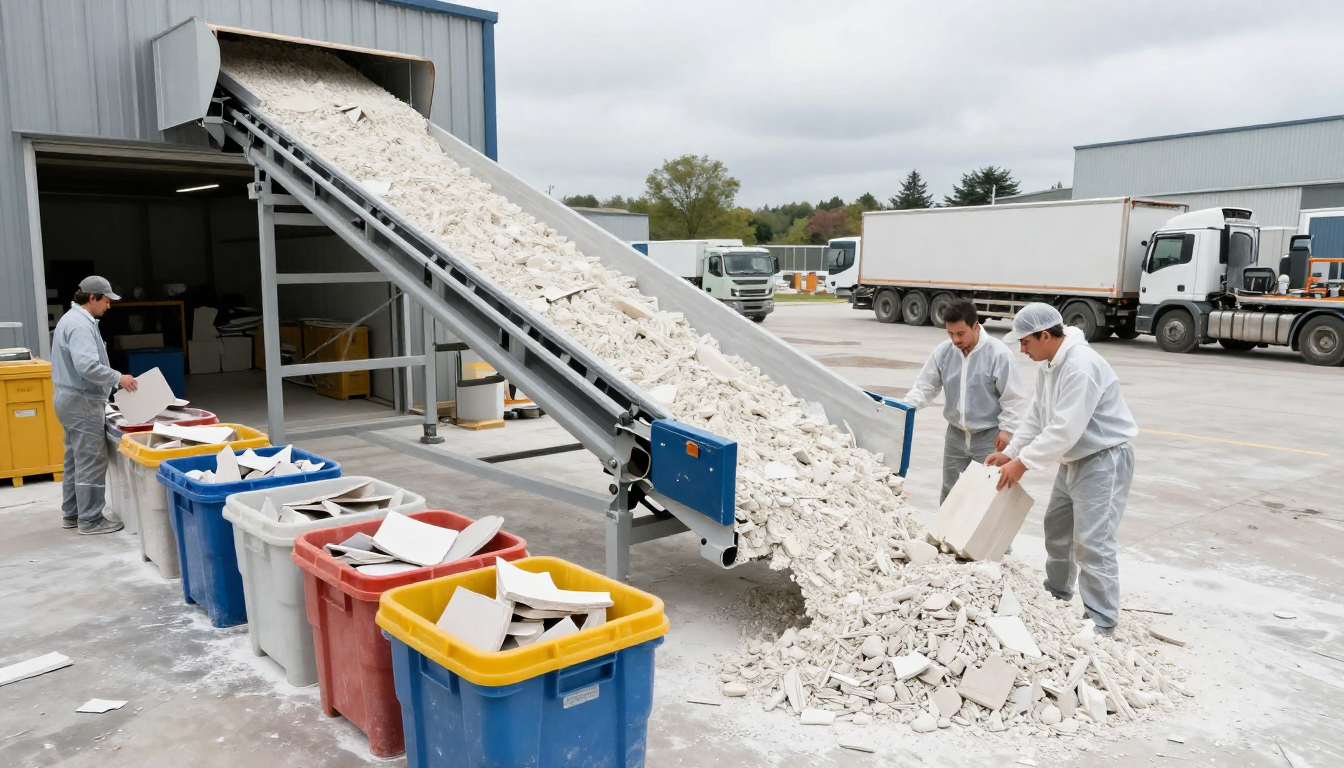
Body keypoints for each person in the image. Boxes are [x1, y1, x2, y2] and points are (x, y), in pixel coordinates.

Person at [985, 303, 1138, 636]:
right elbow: (1038, 415)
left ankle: (1101, 620)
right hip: (1074, 459)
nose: (1022, 350)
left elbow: (1064, 428)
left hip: (1103, 458)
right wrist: (1011, 451)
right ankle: (1057, 592)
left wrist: (1022, 464)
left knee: (1092, 542)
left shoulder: (1081, 366)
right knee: (1057, 527)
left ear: (1044, 335)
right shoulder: (1050, 364)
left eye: (1025, 342)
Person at [902, 299, 1026, 503]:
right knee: (950, 490)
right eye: (950, 334)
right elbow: (925, 386)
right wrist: (906, 408)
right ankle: (945, 535)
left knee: (986, 492)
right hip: (955, 436)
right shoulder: (944, 352)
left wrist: (1008, 430)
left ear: (976, 326)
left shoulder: (998, 354)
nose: (955, 340)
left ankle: (980, 535)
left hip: (989, 437)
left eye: (961, 333)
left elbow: (1013, 397)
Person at [50, 276, 138, 535]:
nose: (108, 306)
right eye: (106, 301)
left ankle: (73, 513)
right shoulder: (80, 325)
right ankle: (91, 520)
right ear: (92, 298)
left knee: (75, 459)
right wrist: (118, 378)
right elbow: (86, 366)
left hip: (69, 399)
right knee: (90, 459)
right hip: (82, 400)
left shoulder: (73, 319)